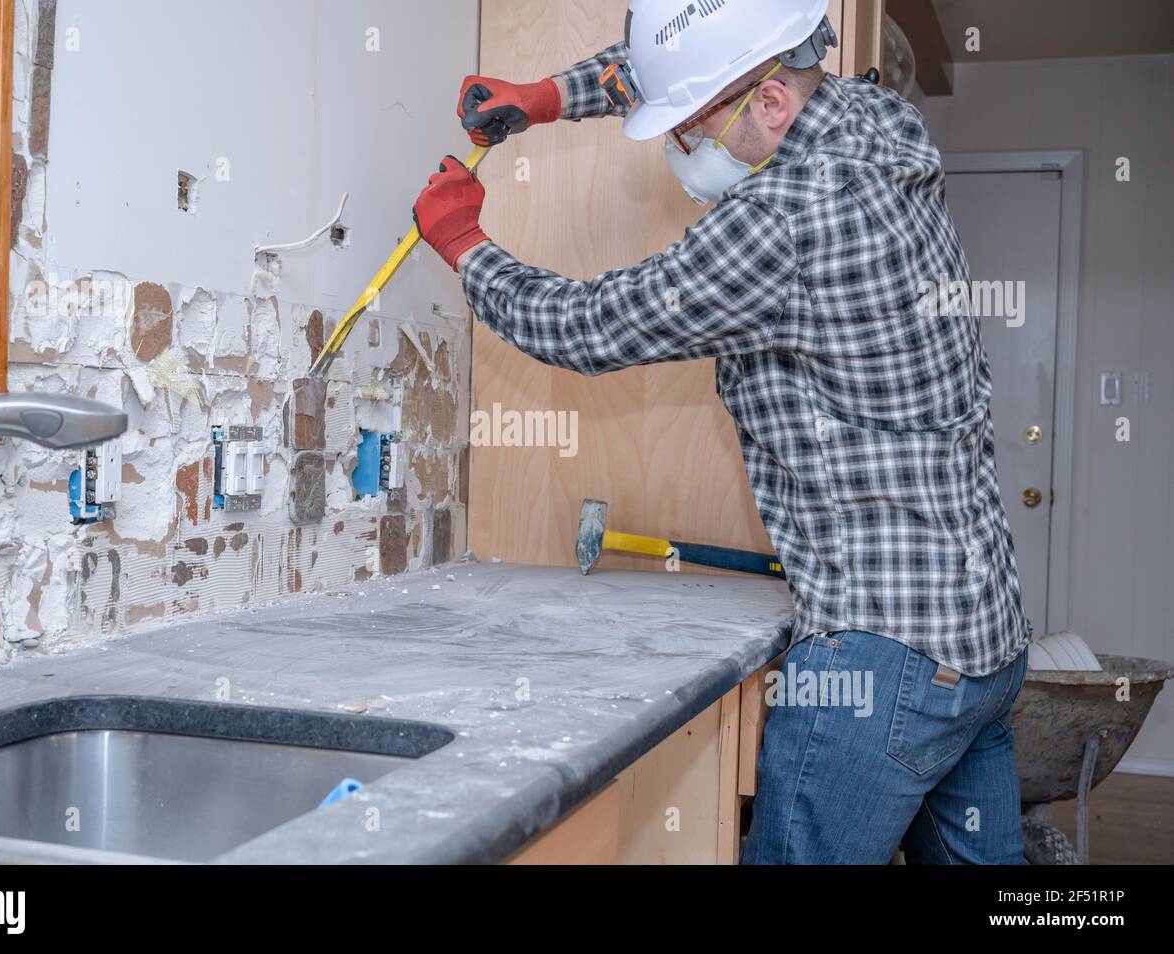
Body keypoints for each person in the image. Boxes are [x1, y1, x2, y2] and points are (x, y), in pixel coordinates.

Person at [413, 0, 1032, 864]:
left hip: (882, 659)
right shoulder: (872, 114)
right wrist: (549, 96)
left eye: (695, 127)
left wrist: (465, 244)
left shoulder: (785, 221)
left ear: (771, 105)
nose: (681, 147)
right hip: (985, 640)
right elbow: (691, 64)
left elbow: (592, 326)